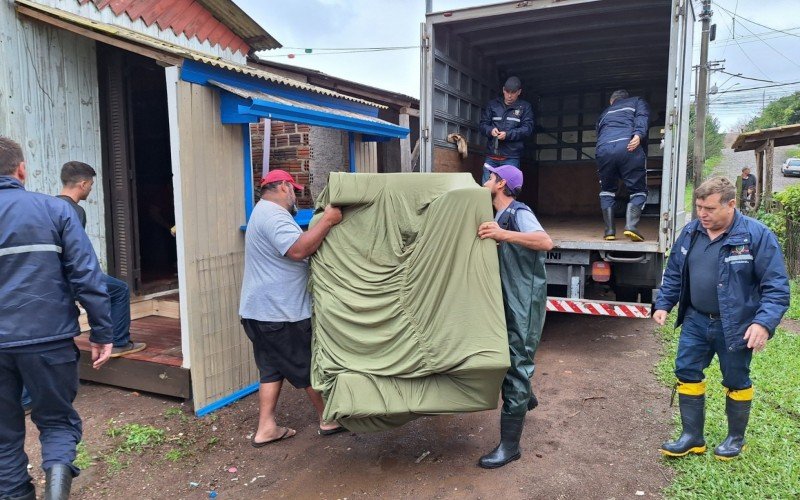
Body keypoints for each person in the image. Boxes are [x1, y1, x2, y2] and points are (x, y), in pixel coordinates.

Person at [0, 137, 113, 499]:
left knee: (3, 433)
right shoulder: (55, 210)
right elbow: (86, 276)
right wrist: (102, 331)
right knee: (57, 423)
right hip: (48, 342)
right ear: (21, 170)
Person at [653, 177, 789, 461]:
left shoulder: (756, 235)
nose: (702, 214)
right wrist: (665, 303)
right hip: (695, 320)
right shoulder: (691, 232)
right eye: (699, 206)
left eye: (710, 208)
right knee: (686, 371)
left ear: (731, 204)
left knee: (736, 379)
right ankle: (692, 437)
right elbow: (675, 271)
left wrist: (763, 323)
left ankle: (735, 440)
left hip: (737, 325)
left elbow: (776, 287)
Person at [239, 169, 345, 446]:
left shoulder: (261, 212)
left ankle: (266, 427)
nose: (296, 197)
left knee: (272, 368)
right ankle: (328, 419)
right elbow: (298, 249)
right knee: (307, 364)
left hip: (258, 312)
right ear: (284, 187)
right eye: (294, 191)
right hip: (281, 314)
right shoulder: (275, 216)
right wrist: (328, 222)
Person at [477, 164, 553, 469]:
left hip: (524, 300)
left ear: (501, 183)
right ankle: (526, 397)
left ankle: (510, 447)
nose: (485, 180)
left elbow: (545, 241)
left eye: (490, 176)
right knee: (507, 355)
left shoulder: (519, 212)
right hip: (505, 297)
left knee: (517, 364)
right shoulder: (495, 214)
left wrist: (503, 234)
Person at [58, 161, 146, 357]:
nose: (90, 189)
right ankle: (119, 342)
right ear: (82, 184)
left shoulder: (51, 205)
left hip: (54, 277)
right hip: (71, 276)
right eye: (90, 185)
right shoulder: (75, 210)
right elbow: (75, 251)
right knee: (120, 289)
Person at [595, 89, 650, 241]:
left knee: (607, 190)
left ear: (611, 101)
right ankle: (631, 226)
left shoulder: (605, 112)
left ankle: (609, 231)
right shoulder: (637, 101)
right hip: (628, 146)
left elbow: (598, 133)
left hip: (603, 149)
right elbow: (642, 117)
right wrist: (638, 135)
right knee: (638, 190)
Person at [479, 76, 534, 184]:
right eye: (507, 91)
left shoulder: (525, 107)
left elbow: (528, 129)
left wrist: (507, 135)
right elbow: (482, 125)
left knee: (509, 190)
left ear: (519, 92)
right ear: (503, 90)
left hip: (511, 158)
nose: (509, 95)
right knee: (486, 189)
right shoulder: (492, 105)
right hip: (491, 156)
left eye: (513, 92)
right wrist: (490, 130)